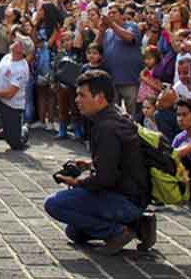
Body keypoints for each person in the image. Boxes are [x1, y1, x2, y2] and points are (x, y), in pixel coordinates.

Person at [44, 70, 154, 254]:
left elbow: (106, 178)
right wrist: (89, 164)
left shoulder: (106, 128)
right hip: (134, 196)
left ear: (100, 97)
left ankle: (118, 232)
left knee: (55, 204)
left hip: (125, 199)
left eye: (82, 95)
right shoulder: (117, 117)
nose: (77, 100)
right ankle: (139, 223)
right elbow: (120, 161)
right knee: (74, 232)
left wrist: (76, 182)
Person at [99, 6, 142, 115]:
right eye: (109, 13)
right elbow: (96, 47)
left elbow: (129, 38)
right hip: (112, 79)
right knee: (113, 113)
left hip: (130, 79)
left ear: (122, 15)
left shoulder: (132, 26)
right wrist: (102, 30)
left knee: (132, 114)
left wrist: (112, 24)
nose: (111, 15)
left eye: (114, 12)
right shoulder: (107, 32)